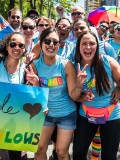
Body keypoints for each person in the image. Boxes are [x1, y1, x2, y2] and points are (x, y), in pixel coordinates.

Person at [25, 27, 83, 160]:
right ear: (41, 43)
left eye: (55, 42)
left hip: (66, 114)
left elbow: (73, 96)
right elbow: (32, 96)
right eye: (47, 41)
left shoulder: (66, 64)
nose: (51, 44)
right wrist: (35, 84)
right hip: (45, 114)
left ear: (59, 44)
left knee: (61, 152)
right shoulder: (34, 65)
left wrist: (79, 84)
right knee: (39, 149)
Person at [0, 32, 35, 160]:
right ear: (6, 46)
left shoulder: (27, 68)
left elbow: (33, 95)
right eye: (13, 44)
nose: (17, 48)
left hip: (16, 122)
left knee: (15, 157)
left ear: (24, 49)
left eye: (21, 45)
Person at [72, 31, 120, 160]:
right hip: (86, 114)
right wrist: (79, 86)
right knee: (78, 153)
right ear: (78, 46)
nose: (88, 47)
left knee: (109, 156)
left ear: (97, 46)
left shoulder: (108, 62)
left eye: (92, 43)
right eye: (84, 44)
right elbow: (74, 96)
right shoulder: (73, 66)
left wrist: (118, 89)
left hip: (111, 114)